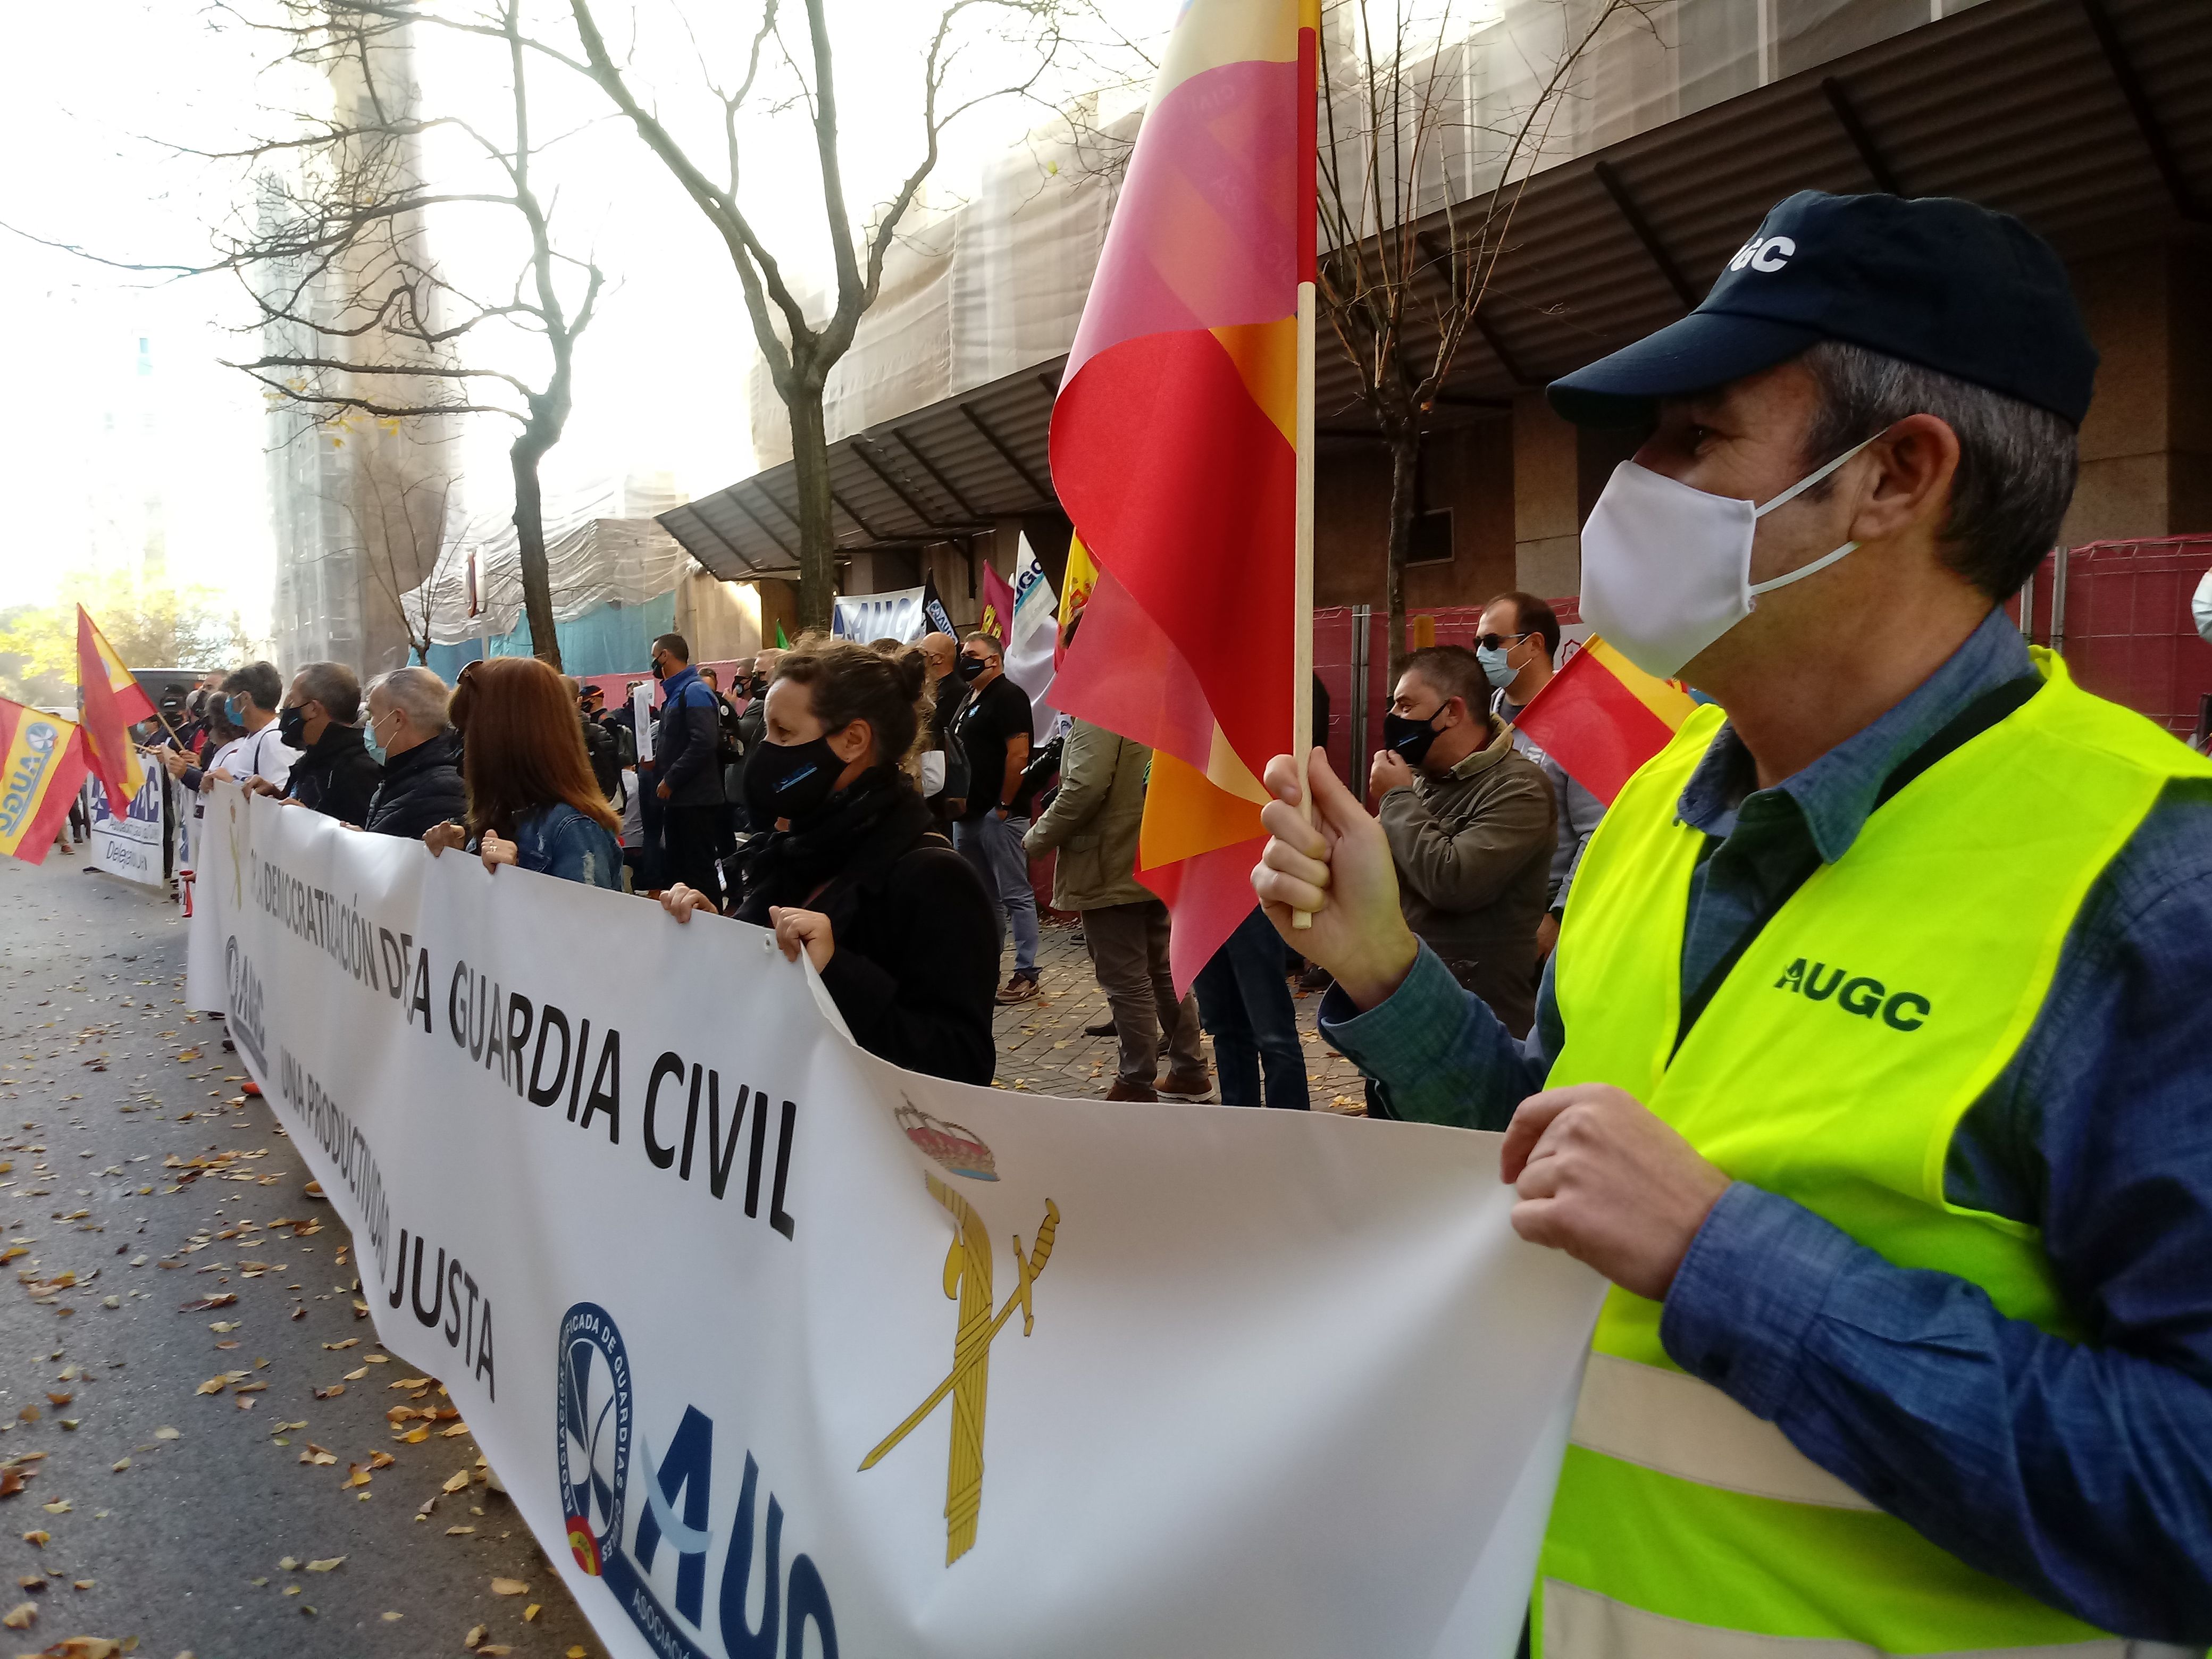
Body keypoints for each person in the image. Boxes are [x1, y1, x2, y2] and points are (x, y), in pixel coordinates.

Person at [1251, 191, 2212, 1649]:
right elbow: (1567, 1153)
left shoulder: (2157, 885)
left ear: (1899, 475)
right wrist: (1386, 969)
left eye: (1691, 440)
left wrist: (1732, 1267)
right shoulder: (1656, 808)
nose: (1625, 487)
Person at [660, 635, 998, 1084]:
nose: (767, 751)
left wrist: (835, 971)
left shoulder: (935, 876)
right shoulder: (794, 848)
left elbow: (963, 1065)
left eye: (785, 734)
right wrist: (716, 933)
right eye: (768, 734)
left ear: (854, 740)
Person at [1370, 643, 1555, 1039]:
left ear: (1452, 711)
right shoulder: (1421, 780)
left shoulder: (1519, 788)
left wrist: (1396, 799)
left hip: (1477, 1023)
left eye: (1405, 705)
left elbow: (1453, 881)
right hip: (1407, 1005)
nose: (1393, 718)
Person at [1024, 716, 1210, 1102]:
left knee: (1128, 980)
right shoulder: (1151, 698)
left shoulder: (1103, 709)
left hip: (1111, 860)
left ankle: (1135, 1082)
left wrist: (1036, 838)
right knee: (1161, 970)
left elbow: (1084, 787)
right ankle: (1189, 1070)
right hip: (1153, 851)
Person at [1477, 591, 1606, 959]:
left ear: (1534, 645)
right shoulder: (1485, 717)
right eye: (1477, 643)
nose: (1481, 654)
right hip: (1487, 908)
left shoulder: (1582, 722)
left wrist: (1559, 916)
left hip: (1543, 916)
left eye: (1491, 642)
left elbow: (1595, 834)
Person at [425, 658, 623, 889]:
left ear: (502, 738)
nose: (460, 748)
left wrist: (515, 881)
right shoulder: (504, 814)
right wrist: (456, 856)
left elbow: (584, 922)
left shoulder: (573, 830)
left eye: (467, 732)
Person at [951, 632, 1041, 1002]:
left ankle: (1026, 971)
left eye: (972, 654)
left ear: (995, 660)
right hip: (968, 816)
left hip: (998, 815)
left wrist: (1004, 804)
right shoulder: (968, 698)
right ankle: (988, 967)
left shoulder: (1008, 696)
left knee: (1015, 894)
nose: (964, 659)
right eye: (962, 653)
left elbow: (1018, 755)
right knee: (985, 898)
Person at [648, 633, 726, 907]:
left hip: (695, 800)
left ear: (665, 656)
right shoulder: (678, 694)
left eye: (654, 656)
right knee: (680, 871)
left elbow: (704, 742)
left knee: (699, 871)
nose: (653, 664)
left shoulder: (694, 691)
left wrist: (671, 778)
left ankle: (713, 926)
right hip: (680, 800)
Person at [256, 661, 380, 824]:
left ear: (313, 709)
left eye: (292, 700)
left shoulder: (357, 769)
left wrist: (311, 824)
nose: (286, 709)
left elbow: (366, 840)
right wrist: (276, 796)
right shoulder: (312, 759)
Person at [361, 667, 465, 841]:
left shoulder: (439, 789)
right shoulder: (404, 774)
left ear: (398, 719)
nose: (369, 724)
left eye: (373, 714)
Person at [918, 631, 970, 819]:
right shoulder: (932, 690)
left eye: (922, 654)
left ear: (937, 659)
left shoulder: (956, 692)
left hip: (943, 785)